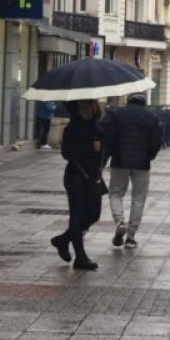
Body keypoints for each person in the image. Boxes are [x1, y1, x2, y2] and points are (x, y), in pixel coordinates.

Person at [101, 93, 162, 249]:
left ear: (128, 101)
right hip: (142, 163)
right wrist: (150, 156)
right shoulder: (151, 116)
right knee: (138, 198)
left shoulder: (117, 114)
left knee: (115, 193)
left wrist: (104, 159)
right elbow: (156, 140)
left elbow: (109, 138)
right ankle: (131, 237)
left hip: (120, 160)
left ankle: (120, 220)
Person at [51, 100, 104, 270]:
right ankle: (80, 257)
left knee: (94, 215)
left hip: (94, 176)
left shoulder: (98, 125)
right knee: (77, 215)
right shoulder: (73, 127)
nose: (92, 107)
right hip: (77, 175)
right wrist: (91, 149)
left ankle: (63, 240)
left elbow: (106, 148)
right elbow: (67, 153)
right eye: (87, 105)